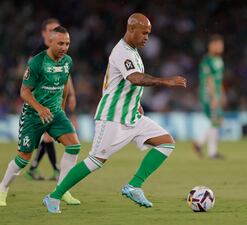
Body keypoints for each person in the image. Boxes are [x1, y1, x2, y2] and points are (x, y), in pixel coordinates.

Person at [42, 13, 187, 214]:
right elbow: (135, 78)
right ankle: (54, 196)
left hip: (132, 116)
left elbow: (120, 83)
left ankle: (134, 186)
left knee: (166, 142)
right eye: (144, 33)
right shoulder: (122, 51)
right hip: (112, 118)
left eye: (149, 34)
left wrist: (135, 102)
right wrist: (166, 81)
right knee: (95, 161)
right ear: (131, 29)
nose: (147, 37)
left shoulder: (133, 51)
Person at [0, 26, 81, 206]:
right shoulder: (37, 62)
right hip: (34, 115)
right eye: (60, 43)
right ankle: (2, 188)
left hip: (55, 113)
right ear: (50, 42)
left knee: (74, 146)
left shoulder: (67, 61)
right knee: (23, 158)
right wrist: (39, 108)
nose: (64, 47)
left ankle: (62, 190)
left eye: (67, 44)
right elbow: (24, 92)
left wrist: (62, 108)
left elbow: (64, 84)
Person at [25, 18, 78, 181]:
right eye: (49, 29)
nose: (52, 32)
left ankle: (38, 168)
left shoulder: (60, 52)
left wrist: (71, 94)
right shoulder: (38, 54)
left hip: (55, 99)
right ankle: (51, 169)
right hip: (40, 102)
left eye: (55, 29)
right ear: (43, 33)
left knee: (48, 137)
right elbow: (30, 80)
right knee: (44, 138)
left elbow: (66, 75)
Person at [193, 34, 226, 159]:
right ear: (212, 45)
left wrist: (222, 94)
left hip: (215, 94)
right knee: (216, 121)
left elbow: (219, 80)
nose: (221, 47)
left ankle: (200, 144)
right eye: (219, 45)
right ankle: (211, 151)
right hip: (207, 94)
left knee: (217, 121)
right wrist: (213, 97)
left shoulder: (219, 60)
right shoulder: (207, 60)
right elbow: (209, 80)